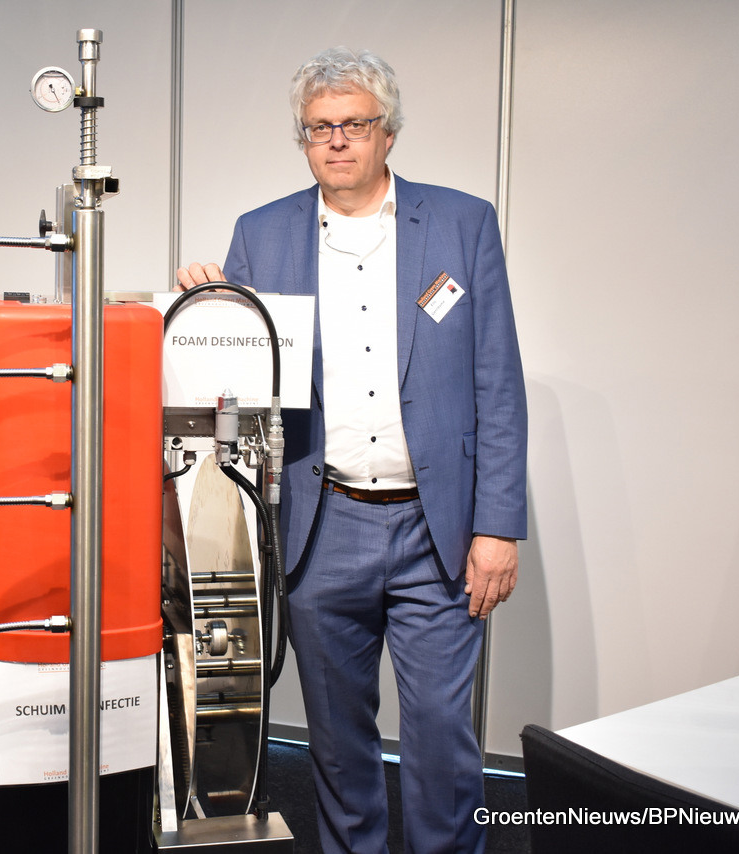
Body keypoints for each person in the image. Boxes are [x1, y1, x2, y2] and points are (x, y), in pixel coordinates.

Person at [177, 47, 527, 853]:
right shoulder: (262, 233)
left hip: (438, 531)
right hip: (322, 523)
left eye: (354, 124)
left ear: (387, 132)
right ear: (304, 139)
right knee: (336, 741)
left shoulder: (462, 223)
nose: (336, 141)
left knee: (442, 738)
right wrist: (205, 308)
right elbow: (235, 385)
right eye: (319, 128)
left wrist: (498, 527)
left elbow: (498, 384)